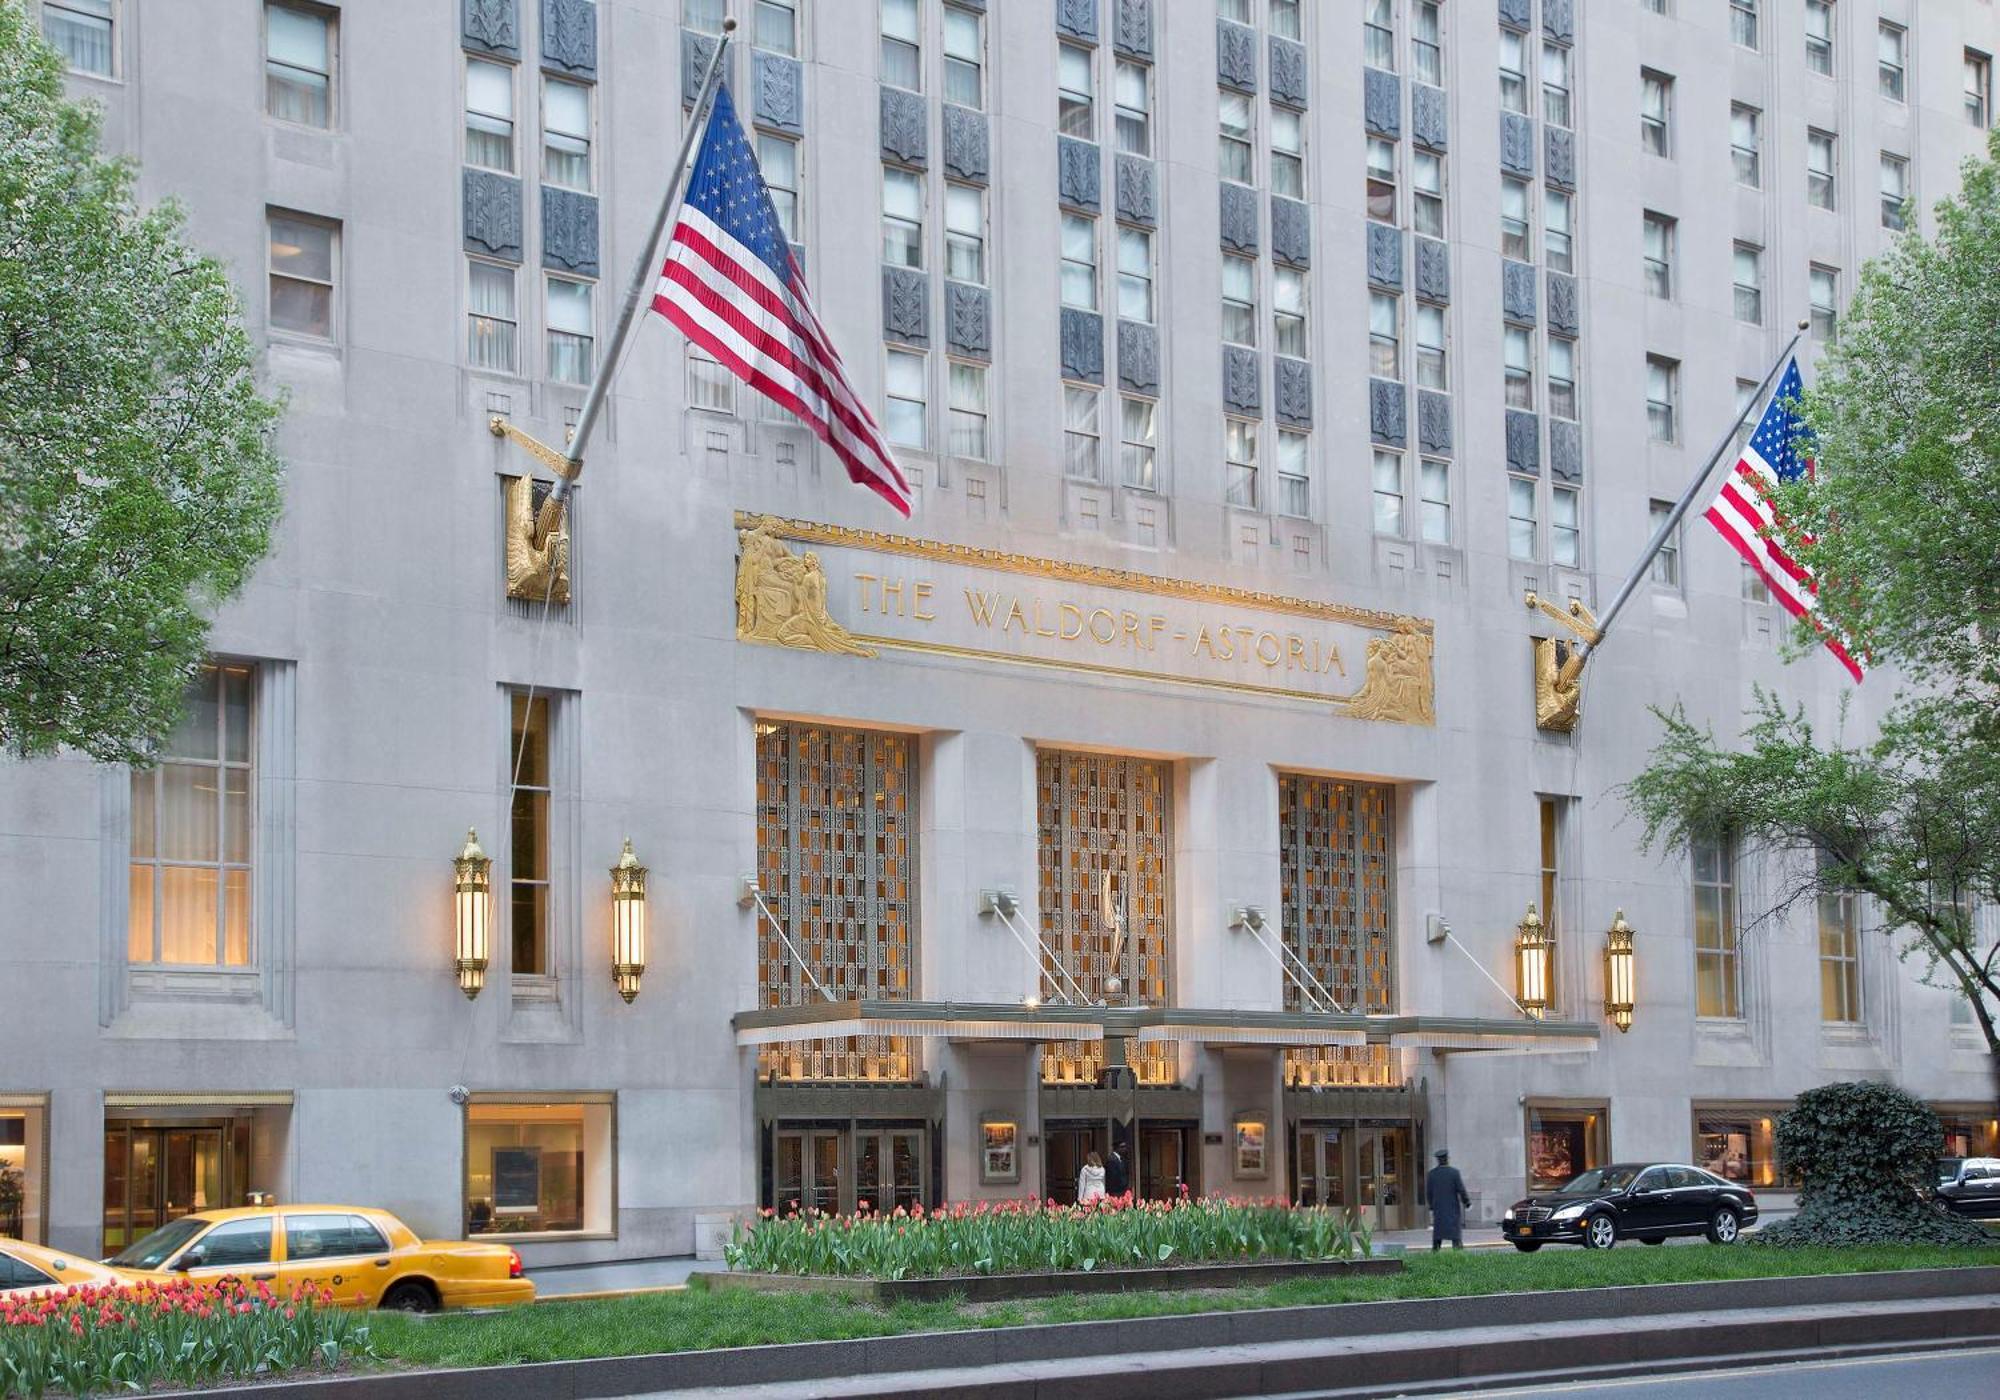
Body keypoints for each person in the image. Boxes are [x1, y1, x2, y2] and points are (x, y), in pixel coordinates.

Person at [1423, 1148, 1472, 1251]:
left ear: (1438, 1160)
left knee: (1438, 1235)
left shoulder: (1432, 1174)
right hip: (1452, 1209)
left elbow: (1428, 1193)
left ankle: (1435, 1254)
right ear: (1447, 1159)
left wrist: (1432, 1206)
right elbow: (1461, 1190)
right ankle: (1457, 1254)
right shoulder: (1454, 1173)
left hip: (1438, 1210)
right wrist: (1467, 1203)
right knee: (1455, 1236)